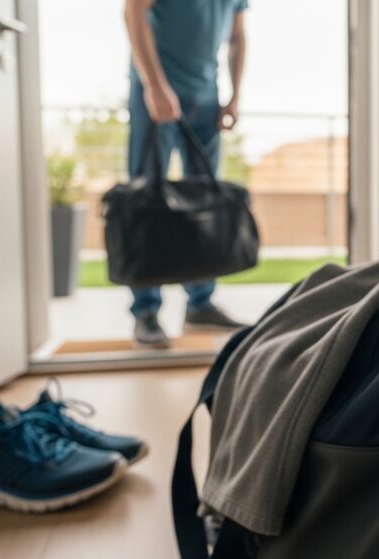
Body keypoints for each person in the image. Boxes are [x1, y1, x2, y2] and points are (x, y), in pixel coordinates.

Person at [124, 0, 248, 348]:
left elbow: (237, 37)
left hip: (206, 97)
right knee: (147, 199)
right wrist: (154, 85)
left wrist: (235, 94)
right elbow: (134, 11)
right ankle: (145, 311)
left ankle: (201, 302)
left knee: (205, 202)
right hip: (156, 93)